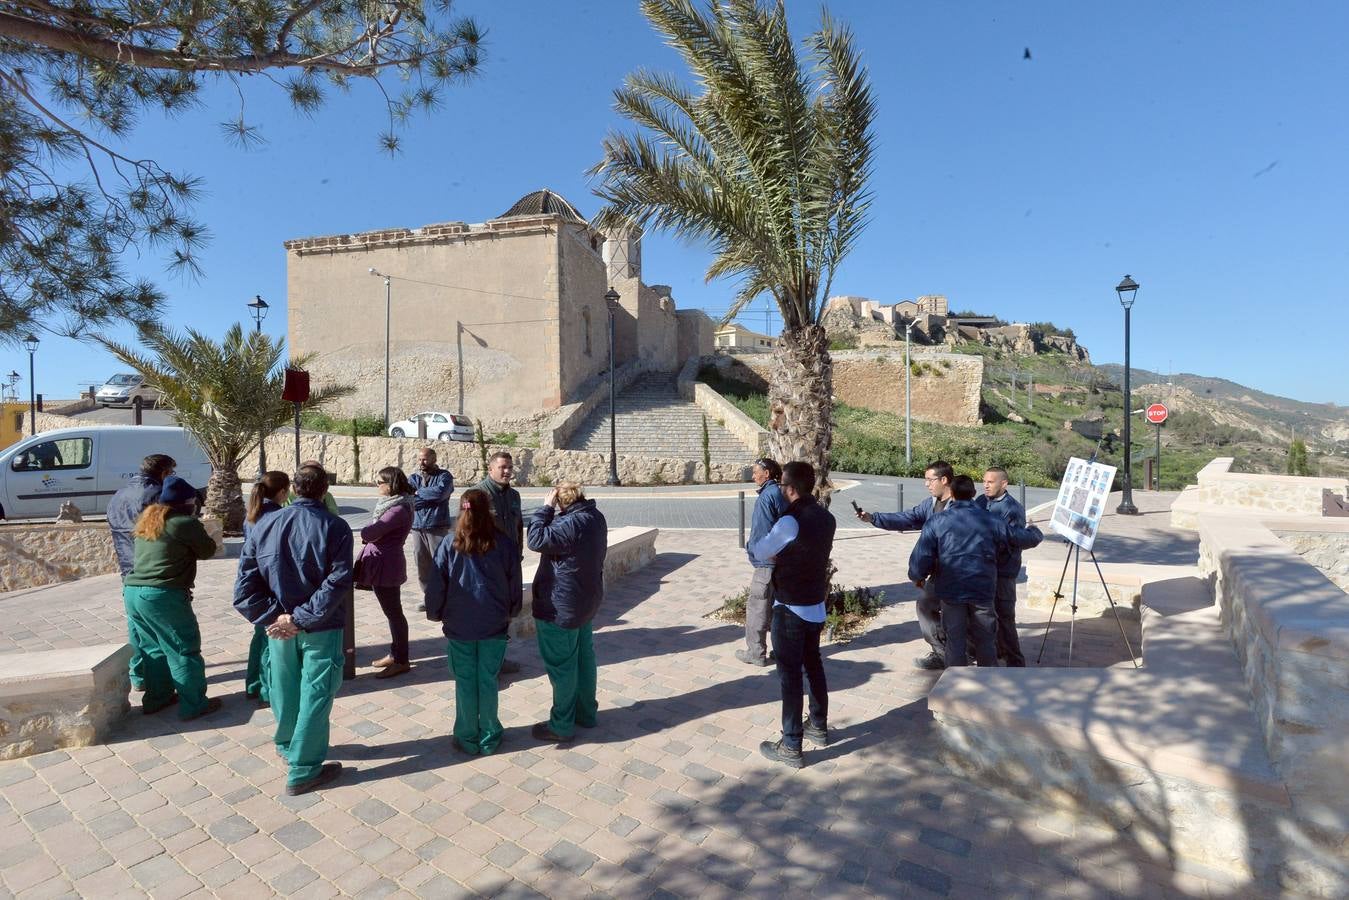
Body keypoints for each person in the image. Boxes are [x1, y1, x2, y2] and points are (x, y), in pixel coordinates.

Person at [233, 464, 353, 796]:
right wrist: (297, 618)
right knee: (315, 694)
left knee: (284, 688)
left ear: (295, 489)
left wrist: (280, 617)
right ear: (324, 489)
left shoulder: (264, 525)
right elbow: (339, 580)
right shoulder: (335, 526)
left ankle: (289, 744)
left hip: (282, 626)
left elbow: (244, 588)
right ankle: (303, 769)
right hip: (318, 626)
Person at [749, 461, 836, 768]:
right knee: (814, 665)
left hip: (790, 608)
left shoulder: (789, 521)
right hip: (815, 604)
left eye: (783, 485)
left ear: (790, 489)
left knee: (789, 677)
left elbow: (759, 551)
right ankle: (819, 726)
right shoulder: (827, 518)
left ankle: (791, 744)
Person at [908, 475, 1044, 669]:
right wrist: (1035, 531)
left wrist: (917, 575)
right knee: (986, 640)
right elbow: (1020, 538)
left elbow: (922, 556)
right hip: (982, 589)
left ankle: (957, 687)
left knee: (955, 641)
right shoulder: (991, 520)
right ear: (973, 494)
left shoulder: (938, 521)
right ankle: (987, 685)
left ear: (952, 494)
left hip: (951, 590)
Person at [425, 489, 521, 755]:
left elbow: (436, 585)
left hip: (459, 625)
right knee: (488, 680)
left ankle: (467, 735)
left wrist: (435, 612)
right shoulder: (503, 543)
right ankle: (489, 735)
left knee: (465, 681)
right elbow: (514, 583)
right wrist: (511, 611)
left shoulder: (449, 544)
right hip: (493, 623)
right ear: (487, 509)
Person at [122, 475, 220, 720]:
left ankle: (158, 698)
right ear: (186, 502)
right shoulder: (184, 523)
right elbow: (207, 550)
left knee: (152, 648)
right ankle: (194, 704)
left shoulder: (148, 520)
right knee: (182, 648)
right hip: (163, 594)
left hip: (133, 592)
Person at [527, 482, 607, 744]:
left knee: (562, 665)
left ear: (562, 503)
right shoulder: (595, 517)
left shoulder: (567, 524)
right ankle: (586, 713)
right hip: (585, 601)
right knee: (584, 659)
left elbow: (535, 539)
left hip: (560, 606)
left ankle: (561, 725)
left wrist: (544, 509)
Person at [855, 460, 955, 670]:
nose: (927, 484)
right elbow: (907, 518)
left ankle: (957, 653)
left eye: (930, 480)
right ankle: (944, 652)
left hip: (958, 571)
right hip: (937, 571)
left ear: (944, 480)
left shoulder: (961, 505)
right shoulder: (930, 504)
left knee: (950, 611)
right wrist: (873, 518)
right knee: (927, 606)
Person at [107, 453, 176, 691]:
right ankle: (163, 685)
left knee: (136, 626)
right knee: (161, 632)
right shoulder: (157, 495)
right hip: (151, 568)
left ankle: (139, 675)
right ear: (165, 472)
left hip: (127, 569)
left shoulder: (119, 495)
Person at [358, 466, 416, 679]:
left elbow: (370, 532)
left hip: (386, 565)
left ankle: (401, 660)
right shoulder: (394, 504)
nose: (377, 486)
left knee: (394, 613)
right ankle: (396, 653)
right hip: (384, 562)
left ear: (390, 484)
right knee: (392, 612)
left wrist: (368, 532)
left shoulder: (397, 509)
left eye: (379, 482)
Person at [474, 451, 524, 675]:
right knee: (486, 615)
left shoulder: (514, 495)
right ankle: (485, 664)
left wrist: (518, 553)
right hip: (487, 567)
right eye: (503, 467)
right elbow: (467, 531)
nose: (507, 471)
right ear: (490, 468)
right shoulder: (478, 495)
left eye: (510, 467)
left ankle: (499, 659)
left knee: (506, 614)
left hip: (510, 564)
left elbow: (519, 526)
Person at [243, 471, 290, 704]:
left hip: (255, 582)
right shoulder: (280, 516)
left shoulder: (252, 515)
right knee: (270, 638)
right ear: (282, 492)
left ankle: (253, 683)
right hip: (271, 584)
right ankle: (266, 687)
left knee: (259, 635)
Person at [976, 466, 1031, 667]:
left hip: (1003, 573)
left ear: (1004, 483)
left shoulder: (1013, 508)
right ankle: (996, 652)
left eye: (990, 482)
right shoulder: (981, 501)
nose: (986, 485)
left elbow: (1013, 541)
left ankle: (1016, 663)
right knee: (985, 618)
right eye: (984, 481)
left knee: (1005, 619)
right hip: (983, 571)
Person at [738, 457, 789, 667]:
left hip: (766, 564)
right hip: (781, 564)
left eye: (755, 471)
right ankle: (782, 652)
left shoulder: (767, 496)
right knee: (780, 610)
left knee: (758, 608)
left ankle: (756, 653)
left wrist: (755, 551)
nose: (753, 476)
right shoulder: (780, 493)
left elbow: (764, 533)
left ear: (766, 474)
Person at [410, 447, 455, 611]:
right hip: (417, 527)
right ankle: (429, 597)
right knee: (421, 563)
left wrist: (418, 494)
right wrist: (420, 497)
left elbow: (441, 493)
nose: (421, 462)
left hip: (437, 525)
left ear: (434, 459)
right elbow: (409, 498)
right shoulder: (413, 477)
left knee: (441, 562)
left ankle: (447, 596)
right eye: (420, 459)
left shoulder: (444, 476)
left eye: (425, 459)